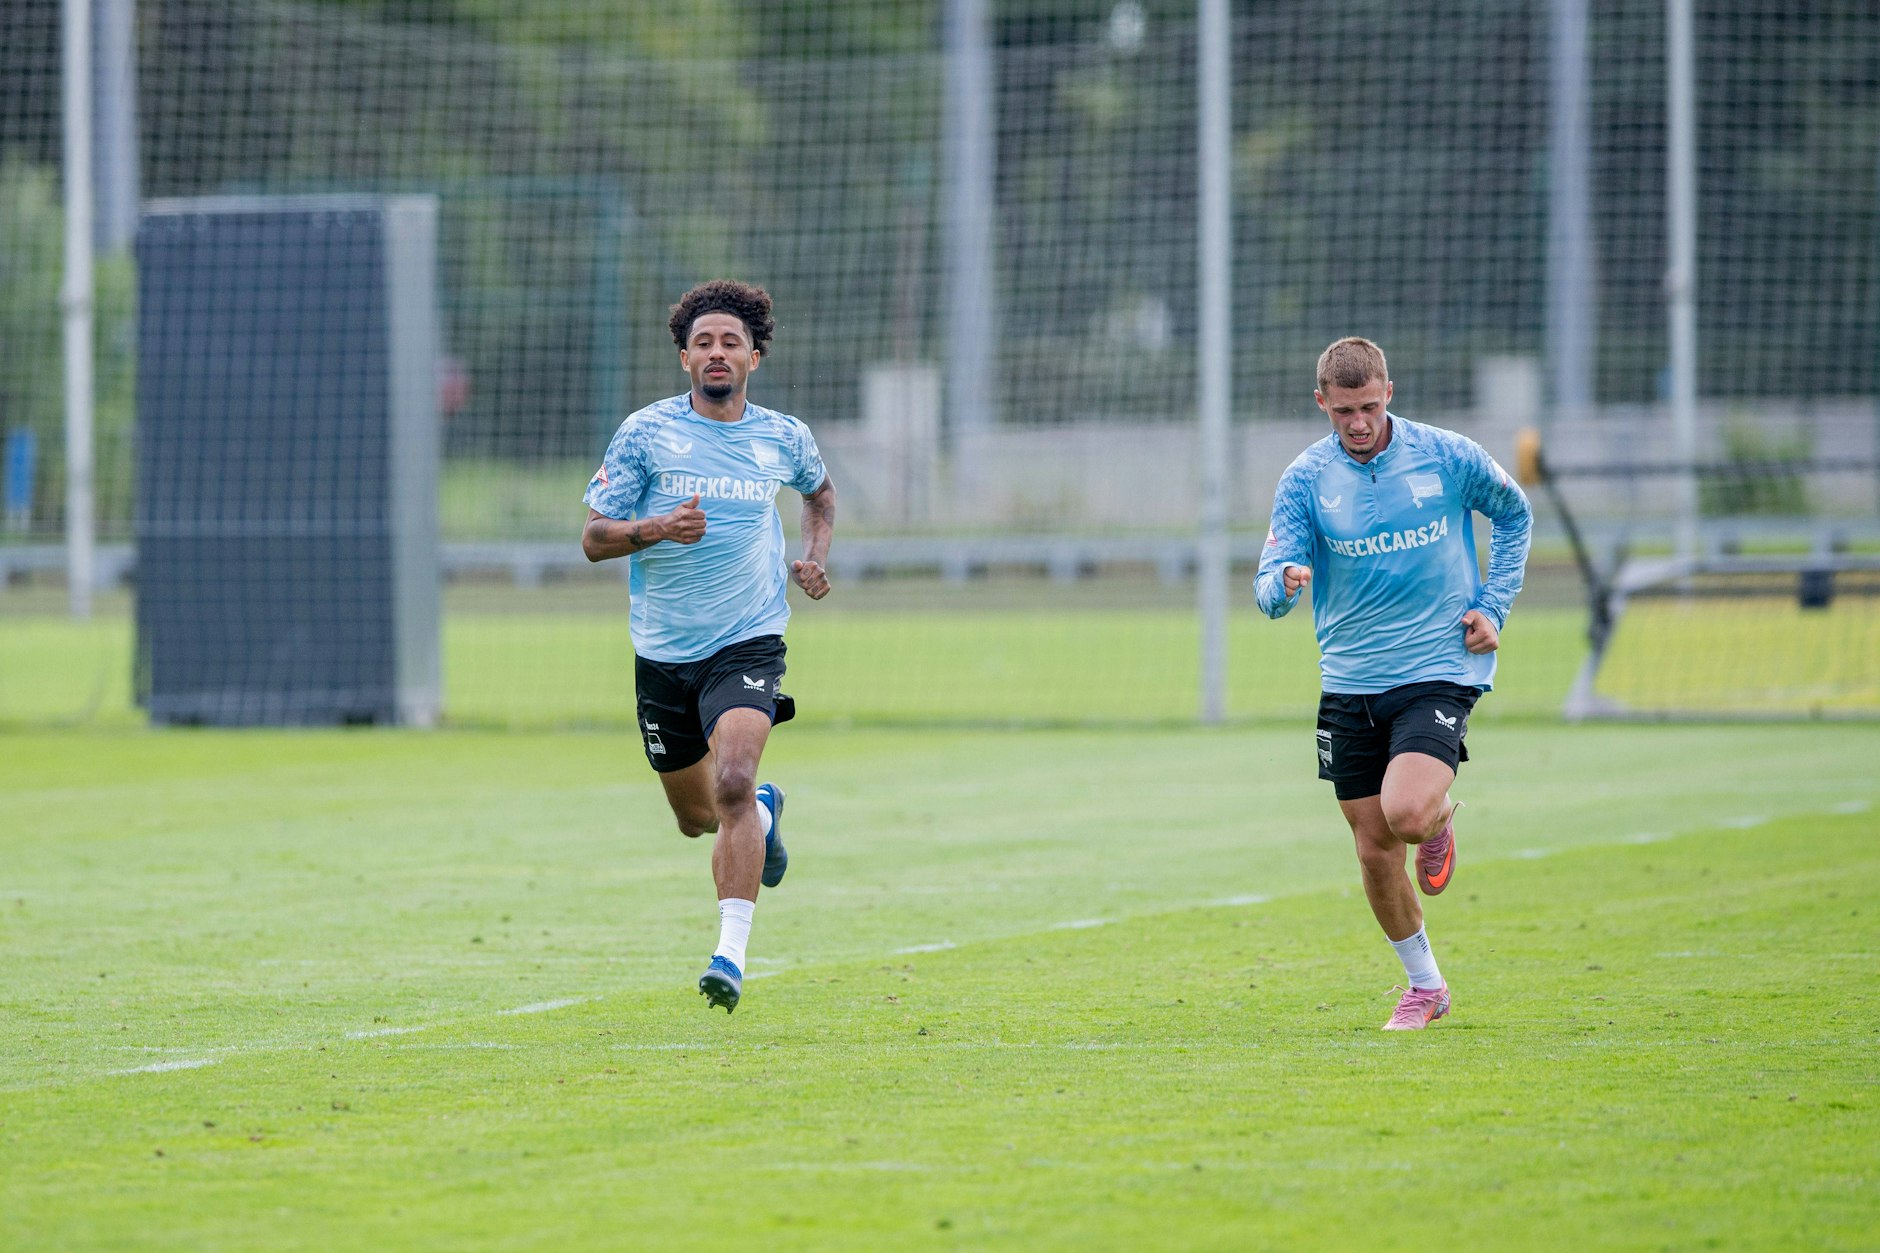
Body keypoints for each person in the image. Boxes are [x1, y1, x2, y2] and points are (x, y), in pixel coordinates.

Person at [1255, 337, 1531, 1031]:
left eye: (1370, 406)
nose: (1358, 422)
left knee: (1405, 814)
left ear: (1390, 393)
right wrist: (1284, 586)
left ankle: (1435, 820)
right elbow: (1267, 579)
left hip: (1438, 665)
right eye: (1344, 410)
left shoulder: (1447, 456)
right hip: (1349, 678)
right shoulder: (1304, 479)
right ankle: (1426, 985)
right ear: (1322, 402)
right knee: (1375, 844)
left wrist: (1493, 606)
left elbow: (1515, 512)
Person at [582, 279, 836, 1014]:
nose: (717, 352)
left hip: (748, 639)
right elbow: (595, 538)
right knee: (700, 815)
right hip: (663, 650)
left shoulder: (782, 435)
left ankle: (730, 954)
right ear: (685, 358)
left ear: (753, 356)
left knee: (730, 778)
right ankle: (761, 812)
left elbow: (819, 493)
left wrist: (815, 553)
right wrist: (657, 528)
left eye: (730, 341)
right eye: (703, 342)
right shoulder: (644, 435)